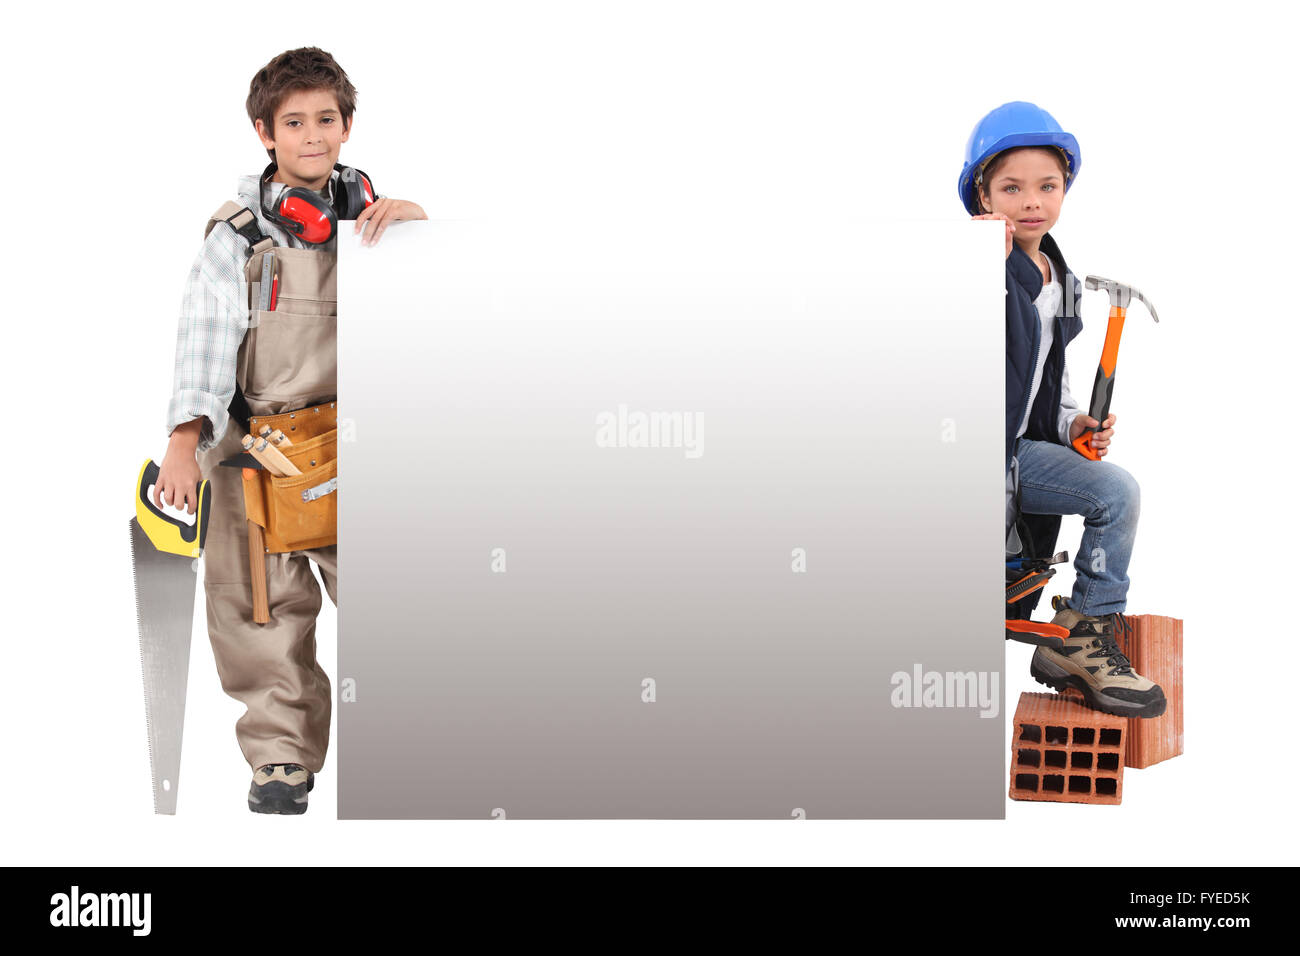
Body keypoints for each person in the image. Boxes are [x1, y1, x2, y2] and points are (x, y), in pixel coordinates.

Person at [153, 47, 427, 812]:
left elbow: (441, 310)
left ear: (348, 126)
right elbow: (203, 337)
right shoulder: (238, 238)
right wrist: (185, 438)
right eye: (295, 122)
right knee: (258, 608)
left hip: (357, 446)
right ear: (264, 133)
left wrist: (421, 232)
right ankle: (280, 758)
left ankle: (416, 736)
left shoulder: (376, 226)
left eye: (327, 120)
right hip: (257, 452)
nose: (314, 135)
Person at [960, 101, 1165, 719]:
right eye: (1010, 188)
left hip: (1023, 448)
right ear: (981, 196)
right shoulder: (971, 267)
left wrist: (1073, 421)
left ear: (1064, 189)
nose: (1031, 202)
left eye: (1047, 186)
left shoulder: (1060, 275)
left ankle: (1084, 632)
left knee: (1116, 492)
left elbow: (1047, 373)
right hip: (977, 449)